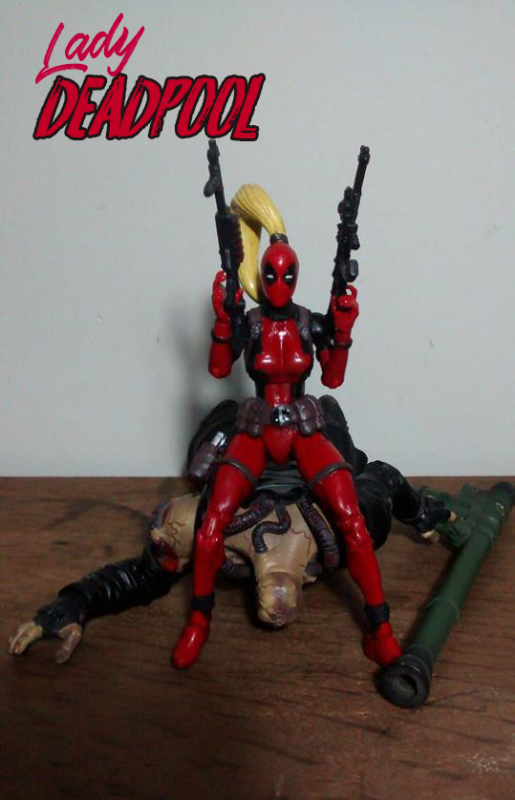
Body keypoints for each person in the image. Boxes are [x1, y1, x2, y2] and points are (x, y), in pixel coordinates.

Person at [172, 184, 402, 669]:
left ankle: (381, 628)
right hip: (257, 431)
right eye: (271, 273)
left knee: (353, 522)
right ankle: (198, 622)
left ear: (297, 276)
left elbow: (333, 378)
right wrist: (222, 320)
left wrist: (343, 329)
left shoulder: (308, 323)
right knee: (211, 523)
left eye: (287, 273)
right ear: (261, 274)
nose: (279, 281)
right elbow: (217, 369)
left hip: (302, 428)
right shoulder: (251, 322)